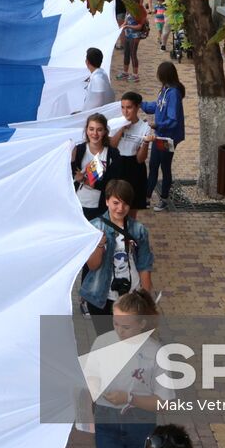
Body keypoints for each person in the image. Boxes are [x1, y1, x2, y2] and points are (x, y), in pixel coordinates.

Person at [90, 291, 172, 448]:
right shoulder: (102, 343)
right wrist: (93, 388)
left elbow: (165, 402)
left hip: (140, 428)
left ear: (142, 324)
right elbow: (90, 378)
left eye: (126, 327)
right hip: (106, 427)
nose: (118, 331)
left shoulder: (157, 353)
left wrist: (129, 398)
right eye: (115, 323)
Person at [80, 179, 153, 333]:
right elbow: (92, 266)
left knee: (129, 342)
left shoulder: (138, 230)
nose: (120, 208)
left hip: (131, 297)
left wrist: (147, 301)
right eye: (116, 203)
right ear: (107, 201)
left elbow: (144, 265)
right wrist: (100, 244)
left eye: (125, 204)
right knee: (106, 343)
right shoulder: (94, 228)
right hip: (102, 297)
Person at [142, 62, 186, 211]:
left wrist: (157, 125)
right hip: (160, 136)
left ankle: (164, 199)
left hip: (168, 138)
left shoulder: (173, 93)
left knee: (164, 167)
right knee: (153, 165)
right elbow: (157, 105)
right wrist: (141, 104)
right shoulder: (165, 89)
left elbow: (173, 119)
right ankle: (147, 198)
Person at [72, 113, 120, 220]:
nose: (95, 133)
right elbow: (71, 175)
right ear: (87, 130)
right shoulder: (78, 150)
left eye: (99, 129)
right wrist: (71, 160)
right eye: (91, 129)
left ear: (105, 131)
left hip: (100, 207)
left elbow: (112, 184)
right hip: (77, 204)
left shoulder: (113, 154)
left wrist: (85, 180)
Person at [110, 92, 153, 213]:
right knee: (115, 205)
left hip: (134, 168)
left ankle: (129, 232)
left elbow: (140, 159)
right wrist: (121, 128)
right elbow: (112, 145)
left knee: (132, 207)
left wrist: (145, 143)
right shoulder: (116, 123)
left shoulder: (144, 127)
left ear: (137, 107)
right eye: (122, 107)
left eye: (129, 107)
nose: (125, 111)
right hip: (117, 165)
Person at [84, 47, 115, 111]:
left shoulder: (97, 79)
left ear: (87, 62)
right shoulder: (102, 74)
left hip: (95, 116)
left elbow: (99, 103)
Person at [120, 10, 145, 82]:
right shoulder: (128, 12)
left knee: (133, 54)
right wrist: (122, 26)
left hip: (135, 36)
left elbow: (139, 26)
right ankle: (125, 72)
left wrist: (128, 26)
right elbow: (126, 22)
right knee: (126, 53)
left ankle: (135, 75)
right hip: (127, 35)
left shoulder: (139, 13)